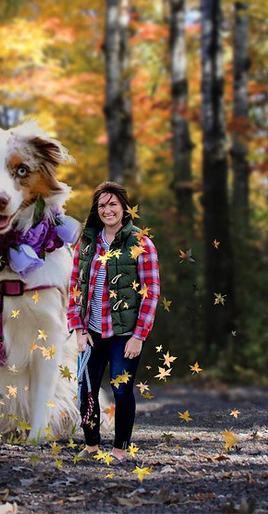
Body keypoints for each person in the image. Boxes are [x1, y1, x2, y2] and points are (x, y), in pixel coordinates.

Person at [66, 181, 160, 463]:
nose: (108, 210)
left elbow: (151, 292)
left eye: (113, 204)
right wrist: (79, 329)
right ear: (97, 210)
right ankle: (92, 446)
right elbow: (74, 286)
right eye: (102, 205)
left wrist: (138, 336)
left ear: (124, 208)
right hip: (92, 333)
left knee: (121, 391)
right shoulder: (86, 243)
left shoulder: (140, 243)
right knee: (86, 391)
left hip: (124, 334)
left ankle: (119, 449)